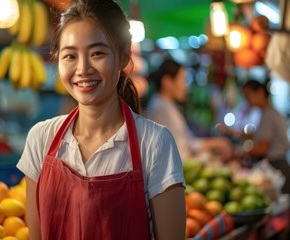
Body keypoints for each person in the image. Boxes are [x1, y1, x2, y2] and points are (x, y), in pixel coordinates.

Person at [16, 0, 186, 239]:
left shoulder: (155, 143)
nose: (83, 68)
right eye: (70, 56)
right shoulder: (41, 138)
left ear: (123, 57)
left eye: (97, 53)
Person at [219, 79, 290, 237]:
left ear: (260, 93)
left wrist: (238, 152)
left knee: (279, 225)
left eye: (248, 95)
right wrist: (233, 132)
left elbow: (261, 148)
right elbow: (257, 136)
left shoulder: (269, 114)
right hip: (279, 169)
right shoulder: (268, 113)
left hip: (277, 171)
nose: (246, 100)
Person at [145, 59, 233, 161]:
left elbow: (186, 141)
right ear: (167, 82)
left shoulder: (166, 105)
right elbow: (181, 148)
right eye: (183, 79)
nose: (185, 86)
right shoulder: (160, 108)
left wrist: (212, 143)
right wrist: (212, 144)